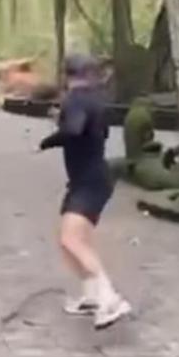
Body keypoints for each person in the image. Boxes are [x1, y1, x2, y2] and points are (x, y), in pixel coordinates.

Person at [39, 54, 131, 330]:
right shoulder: (94, 100)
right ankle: (91, 296)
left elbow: (74, 130)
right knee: (71, 240)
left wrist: (49, 139)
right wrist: (63, 120)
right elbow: (95, 132)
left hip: (90, 182)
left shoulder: (76, 100)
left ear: (66, 76)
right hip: (89, 180)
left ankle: (110, 299)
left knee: (72, 240)